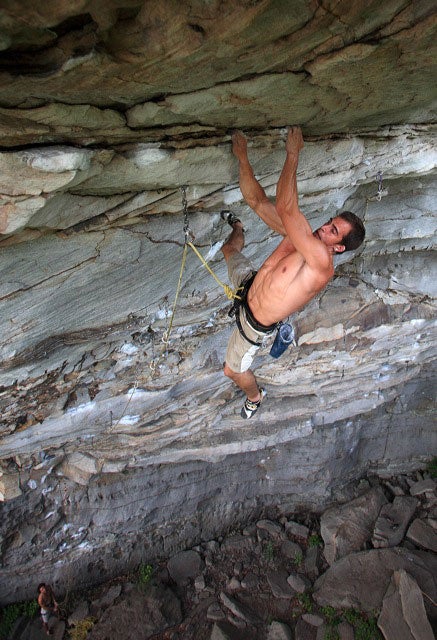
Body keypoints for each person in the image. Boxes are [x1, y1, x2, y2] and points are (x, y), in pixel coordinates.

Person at [221, 127, 365, 418]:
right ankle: (237, 227)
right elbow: (258, 202)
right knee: (229, 251)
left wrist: (293, 153)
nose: (324, 228)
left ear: (338, 248)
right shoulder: (302, 237)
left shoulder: (321, 264)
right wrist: (242, 156)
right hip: (249, 285)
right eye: (328, 223)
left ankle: (255, 396)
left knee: (231, 371)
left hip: (253, 324)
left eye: (332, 231)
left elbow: (287, 207)